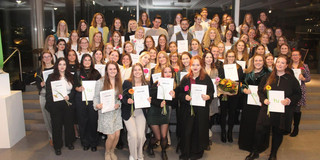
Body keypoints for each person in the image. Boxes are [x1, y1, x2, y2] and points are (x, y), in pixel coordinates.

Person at [245, 55, 301, 160]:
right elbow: (260, 91)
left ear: (286, 65)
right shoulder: (268, 77)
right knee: (259, 130)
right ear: (275, 64)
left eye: (282, 63)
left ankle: (273, 154)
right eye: (278, 62)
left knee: (278, 132)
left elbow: (298, 94)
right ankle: (255, 151)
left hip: (282, 112)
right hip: (267, 109)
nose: (280, 64)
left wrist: (289, 100)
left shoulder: (291, 79)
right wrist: (263, 100)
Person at [178, 55, 214, 160]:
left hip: (201, 110)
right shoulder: (185, 78)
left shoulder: (206, 78)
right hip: (187, 110)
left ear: (201, 66)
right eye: (193, 65)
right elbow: (179, 93)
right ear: (190, 66)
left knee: (199, 130)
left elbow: (211, 92)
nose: (195, 67)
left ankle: (197, 152)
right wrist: (185, 96)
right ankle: (186, 152)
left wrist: (208, 96)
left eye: (197, 65)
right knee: (187, 131)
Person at [238, 54, 270, 152]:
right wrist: (244, 90)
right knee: (248, 123)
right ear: (253, 62)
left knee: (259, 124)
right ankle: (246, 144)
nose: (258, 62)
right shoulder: (247, 72)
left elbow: (271, 88)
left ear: (263, 62)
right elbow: (241, 84)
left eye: (260, 60)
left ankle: (259, 146)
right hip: (248, 103)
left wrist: (265, 98)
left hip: (261, 104)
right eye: (256, 60)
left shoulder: (268, 73)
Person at [121, 63, 152, 160]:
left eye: (139, 70)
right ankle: (133, 155)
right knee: (133, 135)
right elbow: (122, 97)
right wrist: (127, 101)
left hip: (140, 112)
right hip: (128, 112)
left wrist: (149, 100)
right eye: (135, 70)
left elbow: (150, 97)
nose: (137, 72)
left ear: (142, 72)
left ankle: (140, 154)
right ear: (132, 72)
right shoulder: (127, 82)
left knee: (141, 136)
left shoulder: (146, 84)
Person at [93, 61, 123, 160]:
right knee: (111, 136)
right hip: (105, 112)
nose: (112, 71)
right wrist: (97, 105)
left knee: (117, 135)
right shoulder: (100, 82)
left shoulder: (119, 82)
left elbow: (121, 97)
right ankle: (107, 152)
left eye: (114, 69)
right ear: (106, 70)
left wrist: (119, 104)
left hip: (116, 112)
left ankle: (112, 151)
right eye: (110, 69)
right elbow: (96, 97)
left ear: (117, 71)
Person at [45, 57, 75, 155]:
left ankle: (69, 142)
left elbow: (74, 90)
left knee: (69, 124)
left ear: (67, 66)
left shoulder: (71, 76)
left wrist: (69, 96)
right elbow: (48, 93)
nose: (62, 66)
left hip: (68, 104)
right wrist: (53, 102)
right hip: (56, 105)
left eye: (64, 64)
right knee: (56, 126)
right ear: (57, 65)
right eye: (60, 64)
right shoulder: (51, 77)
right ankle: (57, 146)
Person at [147, 66, 177, 160]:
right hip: (154, 112)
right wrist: (159, 104)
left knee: (164, 136)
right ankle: (150, 146)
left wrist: (174, 96)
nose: (168, 74)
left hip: (164, 112)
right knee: (158, 137)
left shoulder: (174, 86)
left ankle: (163, 152)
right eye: (166, 72)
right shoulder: (157, 83)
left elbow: (174, 104)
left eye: (170, 72)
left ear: (172, 74)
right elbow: (151, 99)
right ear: (162, 74)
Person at [73, 54, 101, 152]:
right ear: (82, 61)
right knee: (82, 121)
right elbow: (74, 85)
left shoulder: (96, 73)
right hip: (80, 100)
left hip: (93, 100)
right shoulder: (77, 72)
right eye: (85, 60)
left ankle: (94, 142)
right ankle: (85, 142)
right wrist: (78, 88)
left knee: (93, 121)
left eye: (89, 60)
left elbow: (100, 86)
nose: (87, 62)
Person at [218, 50, 244, 143]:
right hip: (224, 93)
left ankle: (230, 132)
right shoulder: (222, 67)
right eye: (229, 56)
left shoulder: (239, 68)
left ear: (235, 57)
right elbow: (220, 80)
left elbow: (241, 81)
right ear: (226, 57)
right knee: (223, 114)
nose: (231, 58)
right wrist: (224, 87)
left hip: (234, 94)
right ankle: (223, 132)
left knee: (232, 113)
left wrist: (236, 83)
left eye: (233, 56)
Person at [289, 50, 311, 137]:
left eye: (296, 55)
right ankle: (288, 127)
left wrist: (303, 78)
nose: (295, 57)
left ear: (300, 56)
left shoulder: (304, 66)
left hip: (300, 89)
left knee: (297, 110)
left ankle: (296, 128)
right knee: (289, 109)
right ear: (291, 57)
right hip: (289, 90)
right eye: (293, 55)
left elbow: (308, 78)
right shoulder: (288, 66)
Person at [35, 51, 54, 146]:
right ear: (42, 59)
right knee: (47, 118)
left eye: (48, 56)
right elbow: (37, 83)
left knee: (55, 117)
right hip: (43, 95)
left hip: (54, 95)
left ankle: (57, 135)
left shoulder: (56, 68)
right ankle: (51, 137)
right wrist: (40, 84)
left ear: (51, 57)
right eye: (44, 57)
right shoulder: (39, 70)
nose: (47, 58)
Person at [202, 51, 219, 150]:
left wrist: (217, 83)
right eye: (207, 57)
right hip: (203, 96)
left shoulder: (215, 70)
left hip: (212, 96)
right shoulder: (201, 69)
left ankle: (208, 134)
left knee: (210, 116)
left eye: (210, 57)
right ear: (204, 58)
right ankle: (205, 137)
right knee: (204, 116)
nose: (209, 59)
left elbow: (217, 81)